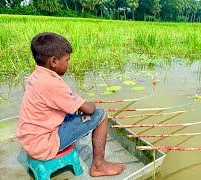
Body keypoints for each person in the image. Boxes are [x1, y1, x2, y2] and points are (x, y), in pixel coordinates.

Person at [16, 32, 125, 177]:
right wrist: (88, 104)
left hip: (30, 141)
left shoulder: (36, 76)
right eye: (67, 60)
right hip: (45, 144)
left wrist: (77, 107)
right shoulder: (52, 84)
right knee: (101, 115)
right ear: (54, 61)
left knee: (75, 111)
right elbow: (89, 109)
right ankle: (99, 166)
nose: (68, 63)